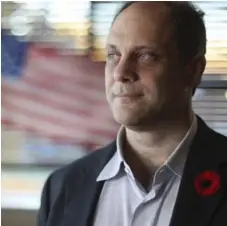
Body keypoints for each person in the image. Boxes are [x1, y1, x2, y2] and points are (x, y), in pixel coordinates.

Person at [37, 2, 227, 226]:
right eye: (112, 55)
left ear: (193, 70)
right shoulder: (63, 187)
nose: (120, 72)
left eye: (146, 56)